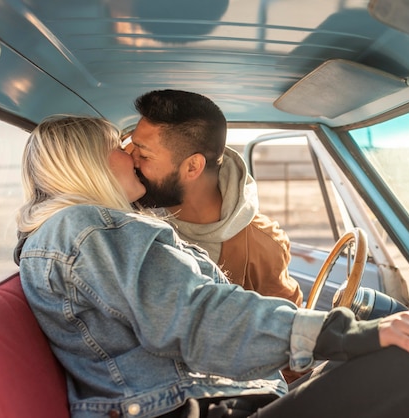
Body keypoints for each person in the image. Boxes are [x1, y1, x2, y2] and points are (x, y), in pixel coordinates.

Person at [15, 115, 409, 418]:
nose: (131, 157)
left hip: (226, 397)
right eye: (118, 148)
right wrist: (341, 334)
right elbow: (195, 317)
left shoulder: (72, 235)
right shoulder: (87, 228)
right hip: (209, 409)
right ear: (85, 164)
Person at [129, 89, 302, 306]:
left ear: (193, 167)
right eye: (131, 146)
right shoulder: (127, 214)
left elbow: (283, 329)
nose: (131, 159)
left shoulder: (263, 245)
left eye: (144, 155)